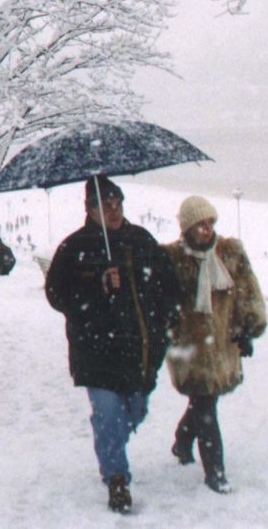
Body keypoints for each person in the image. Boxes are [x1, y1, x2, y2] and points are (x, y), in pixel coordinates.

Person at [45, 175, 181, 513]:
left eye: (117, 203)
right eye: (106, 206)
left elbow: (168, 284)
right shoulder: (73, 248)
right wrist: (97, 286)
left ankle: (109, 438)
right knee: (109, 414)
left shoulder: (141, 240)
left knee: (134, 411)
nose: (115, 210)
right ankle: (116, 478)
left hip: (140, 351)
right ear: (90, 210)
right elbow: (56, 294)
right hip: (96, 353)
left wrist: (169, 318)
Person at [164, 196, 267, 494]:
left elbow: (248, 292)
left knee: (204, 399)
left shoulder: (230, 253)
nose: (206, 230)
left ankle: (182, 441)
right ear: (187, 229)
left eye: (210, 223)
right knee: (205, 405)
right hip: (190, 348)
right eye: (199, 225)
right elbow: (162, 299)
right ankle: (215, 472)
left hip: (223, 344)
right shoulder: (173, 259)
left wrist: (248, 329)